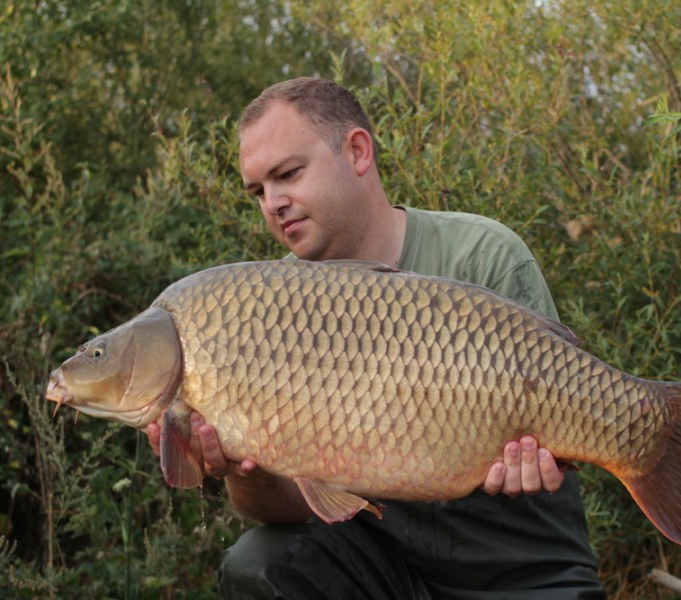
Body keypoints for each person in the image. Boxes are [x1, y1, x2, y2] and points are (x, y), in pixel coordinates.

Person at [147, 77, 606, 599]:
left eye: (288, 174)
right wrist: (238, 466)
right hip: (384, 573)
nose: (273, 202)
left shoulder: (482, 255)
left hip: (523, 575)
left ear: (358, 152)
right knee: (259, 563)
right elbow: (285, 510)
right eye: (258, 191)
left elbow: (564, 409)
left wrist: (540, 453)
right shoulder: (264, 308)